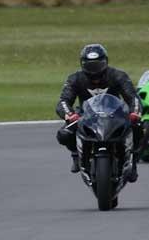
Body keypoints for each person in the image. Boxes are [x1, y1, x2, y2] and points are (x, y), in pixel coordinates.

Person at [55, 44, 143, 182]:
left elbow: (133, 97)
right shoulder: (75, 78)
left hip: (115, 115)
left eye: (98, 65)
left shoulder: (118, 75)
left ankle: (133, 160)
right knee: (63, 134)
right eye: (90, 66)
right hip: (86, 116)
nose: (94, 70)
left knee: (138, 126)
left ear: (106, 62)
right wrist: (69, 114)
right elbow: (63, 101)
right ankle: (76, 154)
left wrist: (134, 112)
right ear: (82, 64)